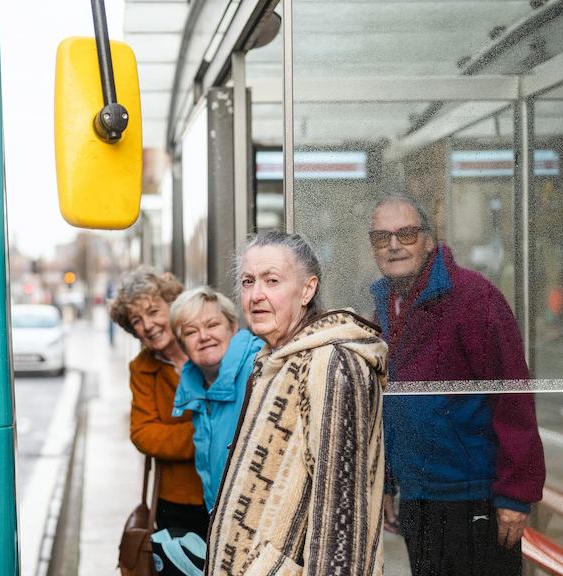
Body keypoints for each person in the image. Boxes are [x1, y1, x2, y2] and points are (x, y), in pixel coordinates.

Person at [368, 194, 545, 576]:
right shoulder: (384, 305)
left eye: (407, 233)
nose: (394, 245)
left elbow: (512, 397)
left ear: (430, 239)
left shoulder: (473, 299)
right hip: (418, 498)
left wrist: (515, 493)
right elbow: (386, 404)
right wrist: (386, 482)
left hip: (473, 497)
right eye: (382, 237)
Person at [206, 231, 387, 575]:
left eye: (271, 280)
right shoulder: (275, 357)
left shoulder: (331, 364)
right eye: (247, 282)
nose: (256, 294)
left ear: (308, 290)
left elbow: (342, 510)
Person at [108, 267, 207, 536]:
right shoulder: (142, 368)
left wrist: (175, 436)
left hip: (228, 490)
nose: (148, 325)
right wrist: (208, 434)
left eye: (153, 312)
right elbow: (143, 434)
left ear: (172, 306)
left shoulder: (208, 346)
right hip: (176, 500)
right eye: (136, 320)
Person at [168, 286, 262, 513]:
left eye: (212, 325)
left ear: (232, 327)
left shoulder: (259, 370)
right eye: (190, 332)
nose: (203, 336)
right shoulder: (196, 388)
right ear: (182, 346)